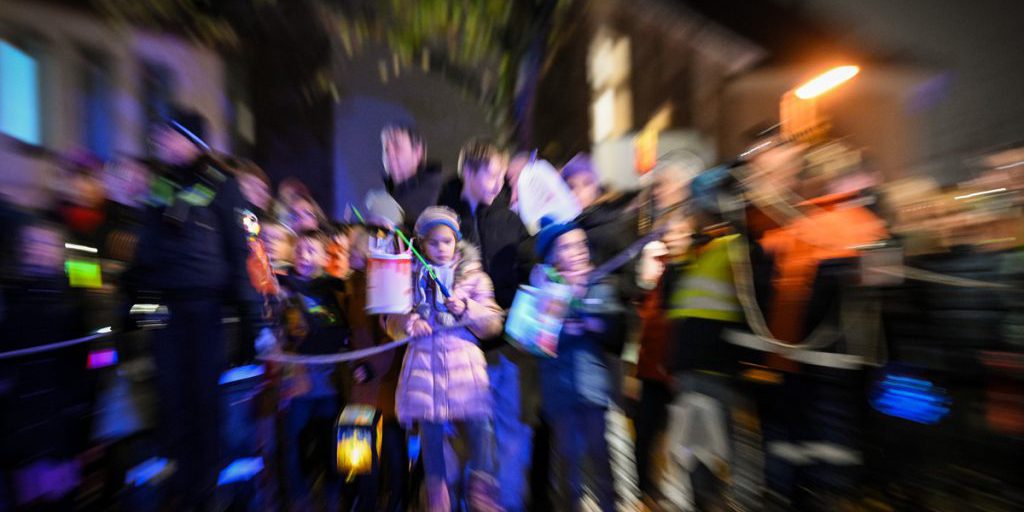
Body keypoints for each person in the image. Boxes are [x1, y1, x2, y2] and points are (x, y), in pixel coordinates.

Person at [124, 106, 262, 510]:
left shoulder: (222, 184)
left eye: (168, 136)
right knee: (173, 408)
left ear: (190, 140)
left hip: (208, 314)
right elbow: (147, 253)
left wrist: (251, 322)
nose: (161, 143)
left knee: (206, 412)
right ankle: (185, 494)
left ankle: (205, 497)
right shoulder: (160, 187)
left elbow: (239, 256)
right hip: (169, 316)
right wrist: (135, 307)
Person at [437, 139, 534, 511]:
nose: (500, 183)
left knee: (510, 436)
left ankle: (506, 505)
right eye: (493, 174)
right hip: (455, 352)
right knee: (461, 439)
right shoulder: (443, 224)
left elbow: (529, 272)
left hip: (503, 350)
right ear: (469, 172)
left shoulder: (511, 221)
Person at [385, 206, 503, 511]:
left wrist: (466, 308)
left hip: (465, 369)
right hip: (425, 367)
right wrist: (410, 322)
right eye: (433, 242)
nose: (440, 248)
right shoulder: (407, 276)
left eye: (447, 241)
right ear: (422, 243)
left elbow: (492, 323)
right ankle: (437, 496)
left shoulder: (474, 277)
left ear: (457, 242)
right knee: (431, 440)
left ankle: (482, 488)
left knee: (482, 429)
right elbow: (391, 321)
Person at [531, 216, 626, 512]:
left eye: (581, 245)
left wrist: (585, 316)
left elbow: (614, 332)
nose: (578, 252)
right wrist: (556, 302)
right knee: (568, 463)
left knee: (601, 456)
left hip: (594, 387)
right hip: (559, 389)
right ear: (552, 256)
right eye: (568, 247)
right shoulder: (543, 292)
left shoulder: (599, 283)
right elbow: (538, 342)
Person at [0, 221, 87, 509]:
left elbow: (83, 373)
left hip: (58, 432)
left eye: (46, 244)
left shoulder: (73, 305)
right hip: (21, 433)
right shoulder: (11, 302)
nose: (37, 250)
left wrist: (79, 423)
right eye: (31, 243)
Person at [275, 229, 353, 510]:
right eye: (299, 250)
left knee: (331, 441)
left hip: (330, 381)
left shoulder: (332, 287)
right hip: (298, 381)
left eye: (311, 251)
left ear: (323, 256)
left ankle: (334, 493)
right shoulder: (283, 286)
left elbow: (341, 328)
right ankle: (297, 497)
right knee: (292, 442)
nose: (304, 257)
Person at [633, 213, 693, 508]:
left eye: (681, 231)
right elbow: (645, 316)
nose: (673, 237)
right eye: (669, 232)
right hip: (652, 366)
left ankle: (677, 493)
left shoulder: (692, 269)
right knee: (646, 434)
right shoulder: (657, 269)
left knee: (681, 439)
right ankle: (646, 491)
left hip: (679, 369)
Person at [381, 123, 445, 229]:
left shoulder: (435, 191)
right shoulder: (389, 193)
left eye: (397, 147)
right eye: (386, 148)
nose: (390, 154)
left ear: (418, 152)